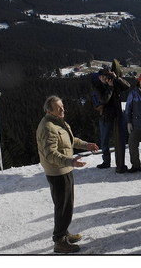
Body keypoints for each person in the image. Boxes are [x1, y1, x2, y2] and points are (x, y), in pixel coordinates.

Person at [36, 96, 99, 253]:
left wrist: (86, 145)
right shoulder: (48, 127)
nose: (63, 109)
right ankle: (59, 241)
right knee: (63, 207)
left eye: (62, 106)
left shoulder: (58, 122)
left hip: (64, 169)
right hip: (58, 172)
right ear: (48, 110)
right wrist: (70, 161)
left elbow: (71, 140)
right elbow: (50, 154)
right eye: (59, 108)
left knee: (66, 205)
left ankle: (64, 233)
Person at [91, 60, 131, 173]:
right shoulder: (97, 87)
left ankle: (120, 164)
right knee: (104, 140)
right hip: (105, 116)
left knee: (119, 140)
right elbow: (104, 99)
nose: (104, 78)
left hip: (117, 115)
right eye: (102, 76)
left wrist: (116, 78)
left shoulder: (114, 82)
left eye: (106, 75)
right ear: (99, 77)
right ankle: (106, 162)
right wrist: (110, 87)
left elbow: (127, 86)